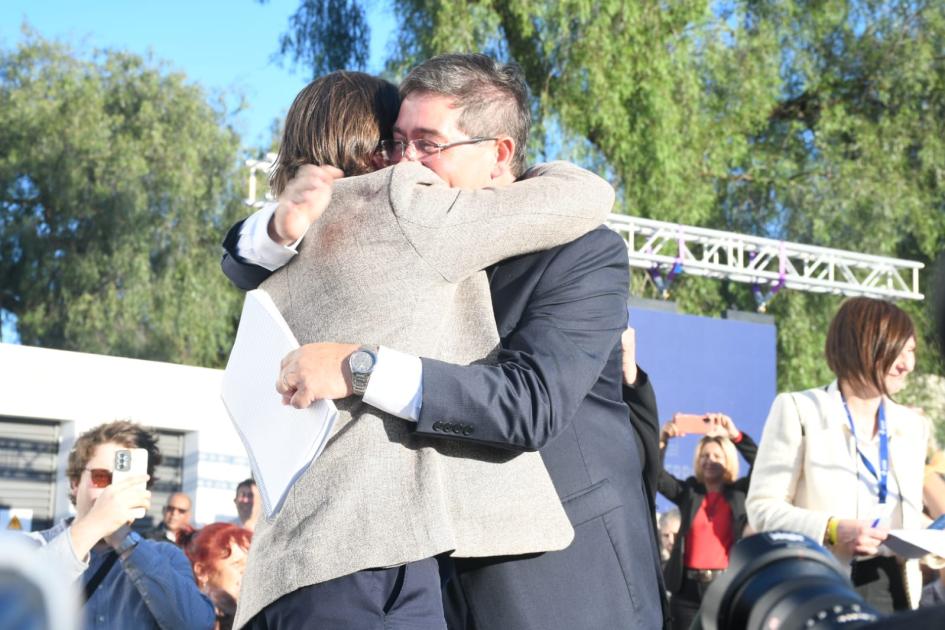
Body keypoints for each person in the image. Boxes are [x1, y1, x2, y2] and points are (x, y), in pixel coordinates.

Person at [222, 53, 663, 630]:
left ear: (499, 153)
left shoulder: (581, 252)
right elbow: (244, 263)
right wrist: (274, 228)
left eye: (427, 144)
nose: (404, 163)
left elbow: (530, 403)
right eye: (396, 142)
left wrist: (360, 369)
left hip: (553, 581)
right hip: (414, 579)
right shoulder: (392, 223)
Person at [747, 296, 928, 612]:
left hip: (895, 589)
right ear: (863, 347)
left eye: (911, 351)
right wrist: (831, 529)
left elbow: (909, 517)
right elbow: (762, 510)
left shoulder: (912, 426)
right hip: (818, 586)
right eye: (898, 352)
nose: (907, 365)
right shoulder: (800, 410)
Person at [27, 420, 214, 629]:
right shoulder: (29, 546)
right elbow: (10, 602)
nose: (112, 492)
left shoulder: (166, 557)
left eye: (125, 482)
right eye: (101, 478)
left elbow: (196, 625)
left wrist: (124, 540)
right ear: (75, 483)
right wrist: (96, 524)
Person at [658, 413, 757, 630]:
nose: (709, 461)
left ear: (727, 460)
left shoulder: (739, 493)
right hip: (686, 592)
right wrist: (663, 439)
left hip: (726, 586)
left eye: (716, 456)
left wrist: (736, 436)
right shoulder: (690, 492)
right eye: (704, 455)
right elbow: (657, 478)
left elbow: (762, 466)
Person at [186, 523, 252, 630]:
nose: (246, 574)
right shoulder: (181, 618)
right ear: (202, 571)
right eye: (237, 565)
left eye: (249, 566)